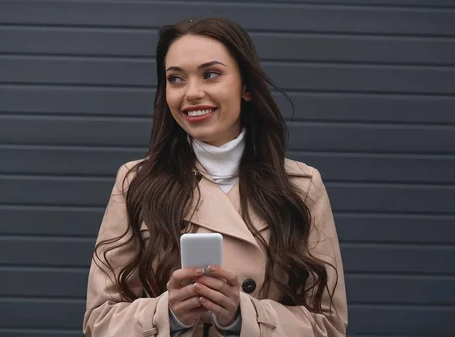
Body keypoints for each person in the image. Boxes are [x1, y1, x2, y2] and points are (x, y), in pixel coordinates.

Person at [83, 17, 348, 337]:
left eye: (211, 74)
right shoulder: (137, 181)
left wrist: (243, 315)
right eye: (176, 79)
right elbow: (99, 320)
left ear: (246, 86)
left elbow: (329, 326)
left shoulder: (300, 185)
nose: (192, 93)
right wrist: (167, 314)